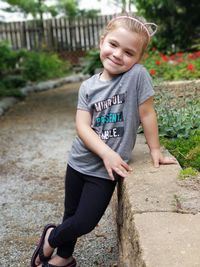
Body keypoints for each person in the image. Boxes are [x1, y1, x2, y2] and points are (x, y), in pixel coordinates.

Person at [31, 14, 177, 267]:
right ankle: (65, 257)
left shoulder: (137, 76)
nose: (118, 54)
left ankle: (50, 238)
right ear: (102, 42)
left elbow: (147, 113)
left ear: (138, 59)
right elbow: (82, 127)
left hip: (104, 172)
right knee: (71, 214)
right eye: (113, 45)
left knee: (85, 221)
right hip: (78, 162)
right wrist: (107, 152)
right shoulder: (88, 86)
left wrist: (155, 149)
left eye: (129, 52)